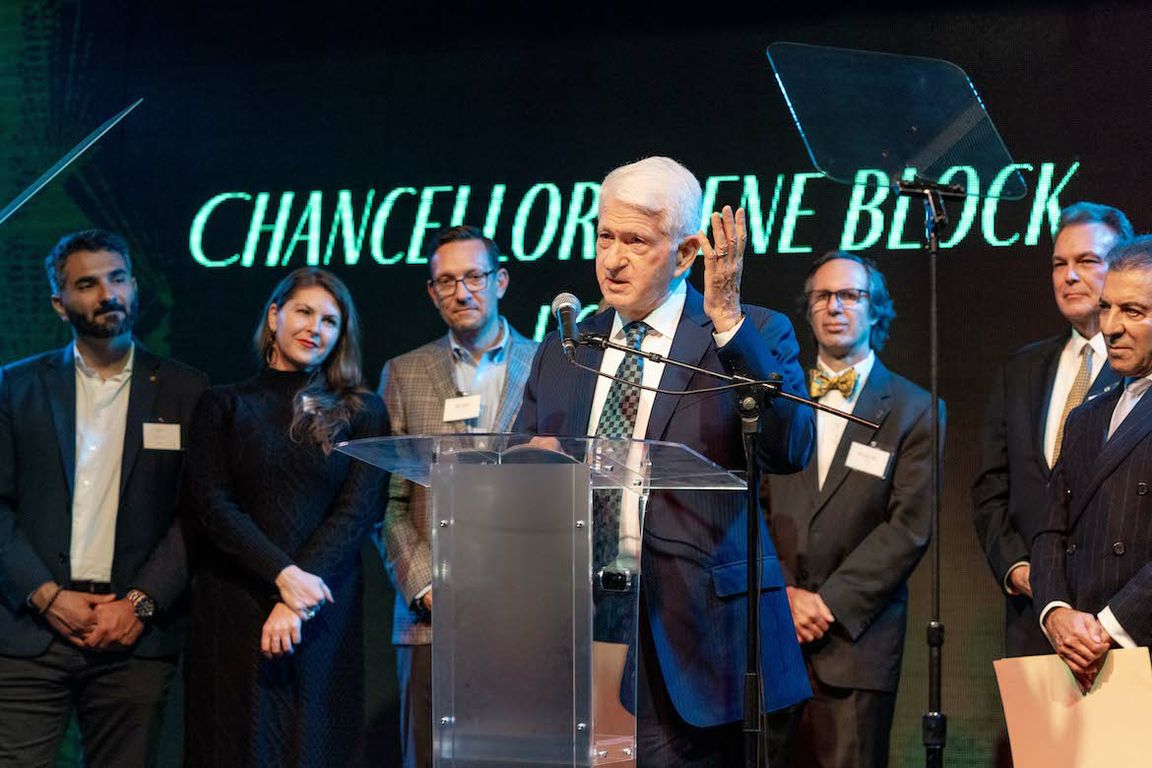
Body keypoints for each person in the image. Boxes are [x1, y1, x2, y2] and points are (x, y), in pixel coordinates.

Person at [514, 156, 814, 766]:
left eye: (635, 242)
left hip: (698, 638)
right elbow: (521, 467)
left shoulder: (749, 332)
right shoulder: (565, 347)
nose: (612, 259)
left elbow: (791, 447)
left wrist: (727, 318)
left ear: (685, 255)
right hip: (581, 627)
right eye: (604, 237)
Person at [0, 229, 207, 766]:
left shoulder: (187, 390)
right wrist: (46, 595)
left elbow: (198, 515)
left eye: (117, 279)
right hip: (30, 632)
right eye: (87, 284)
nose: (106, 294)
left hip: (134, 636)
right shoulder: (13, 386)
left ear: (135, 286)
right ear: (59, 303)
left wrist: (139, 602)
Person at [182, 267, 388, 767]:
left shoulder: (362, 411)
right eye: (303, 311)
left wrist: (296, 600)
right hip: (235, 606)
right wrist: (283, 577)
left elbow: (357, 511)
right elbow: (211, 505)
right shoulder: (222, 405)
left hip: (321, 612)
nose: (315, 327)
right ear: (274, 315)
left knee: (313, 745)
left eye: (330, 321)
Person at [764, 251, 940, 767]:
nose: (834, 306)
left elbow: (908, 527)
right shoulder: (776, 397)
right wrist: (784, 594)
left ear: (875, 309)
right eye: (822, 296)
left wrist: (826, 603)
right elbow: (749, 505)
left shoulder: (916, 409)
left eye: (849, 295)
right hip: (774, 629)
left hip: (857, 641)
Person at [376, 225, 537, 768]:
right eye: (446, 281)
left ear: (501, 281)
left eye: (474, 276)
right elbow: (390, 501)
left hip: (529, 616)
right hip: (431, 621)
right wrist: (425, 585)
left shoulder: (550, 366)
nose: (461, 292)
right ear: (431, 291)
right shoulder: (403, 373)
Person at [972, 202, 1133, 657]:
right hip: (1033, 616)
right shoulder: (1021, 368)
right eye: (1059, 264)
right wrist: (1019, 569)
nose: (1069, 276)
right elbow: (991, 487)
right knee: (1030, 733)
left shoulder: (1140, 372)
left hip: (1114, 626)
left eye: (1087, 262)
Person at [1032, 235, 1152, 690]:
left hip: (1135, 649)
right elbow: (1050, 531)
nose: (1112, 327)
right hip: (1075, 659)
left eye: (1133, 311)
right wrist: (1056, 612)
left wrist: (1109, 627)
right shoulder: (1084, 417)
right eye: (1107, 308)